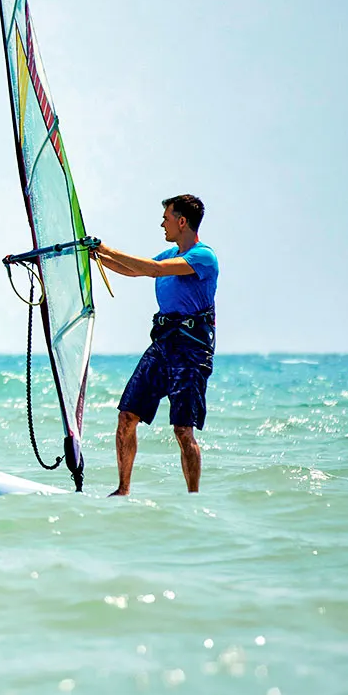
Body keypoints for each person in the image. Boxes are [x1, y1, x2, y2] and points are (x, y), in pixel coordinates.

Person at [92, 194, 218, 496]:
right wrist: (96, 256)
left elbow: (153, 269)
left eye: (166, 218)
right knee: (127, 416)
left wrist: (106, 248)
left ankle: (193, 498)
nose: (162, 224)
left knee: (183, 430)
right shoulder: (167, 254)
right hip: (163, 345)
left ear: (182, 221)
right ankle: (122, 490)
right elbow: (135, 269)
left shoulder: (203, 257)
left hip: (191, 352)